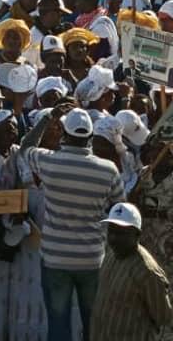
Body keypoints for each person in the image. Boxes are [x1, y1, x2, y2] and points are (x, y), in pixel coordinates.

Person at [22, 108, 125, 341]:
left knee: (58, 323)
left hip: (55, 259)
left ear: (64, 136)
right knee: (93, 322)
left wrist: (48, 118)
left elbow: (25, 148)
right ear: (90, 137)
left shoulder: (49, 161)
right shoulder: (108, 170)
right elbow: (120, 210)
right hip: (92, 258)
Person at [90, 203, 173, 341]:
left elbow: (163, 316)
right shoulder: (110, 254)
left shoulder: (148, 272)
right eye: (111, 231)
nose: (114, 238)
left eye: (121, 233)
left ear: (137, 234)